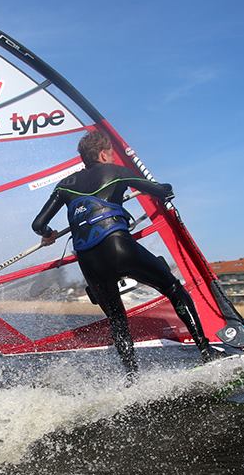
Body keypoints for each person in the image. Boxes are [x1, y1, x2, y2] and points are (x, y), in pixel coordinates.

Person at [31, 130, 221, 377]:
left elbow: (38, 224)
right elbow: (160, 190)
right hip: (118, 248)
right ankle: (206, 352)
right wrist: (167, 188)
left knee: (117, 319)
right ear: (103, 154)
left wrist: (49, 233)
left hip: (89, 261)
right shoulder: (116, 172)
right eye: (109, 153)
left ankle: (132, 377)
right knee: (173, 288)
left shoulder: (65, 185)